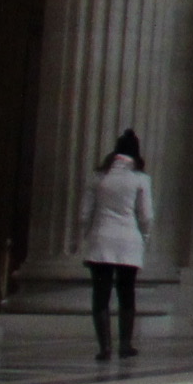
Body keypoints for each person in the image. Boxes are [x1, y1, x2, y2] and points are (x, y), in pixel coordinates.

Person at [78, 129, 153, 363]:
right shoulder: (140, 179)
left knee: (100, 294)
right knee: (126, 293)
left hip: (101, 239)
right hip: (129, 241)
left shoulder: (98, 177)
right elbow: (146, 216)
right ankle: (125, 344)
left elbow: (84, 214)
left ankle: (105, 347)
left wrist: (86, 234)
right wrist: (144, 237)